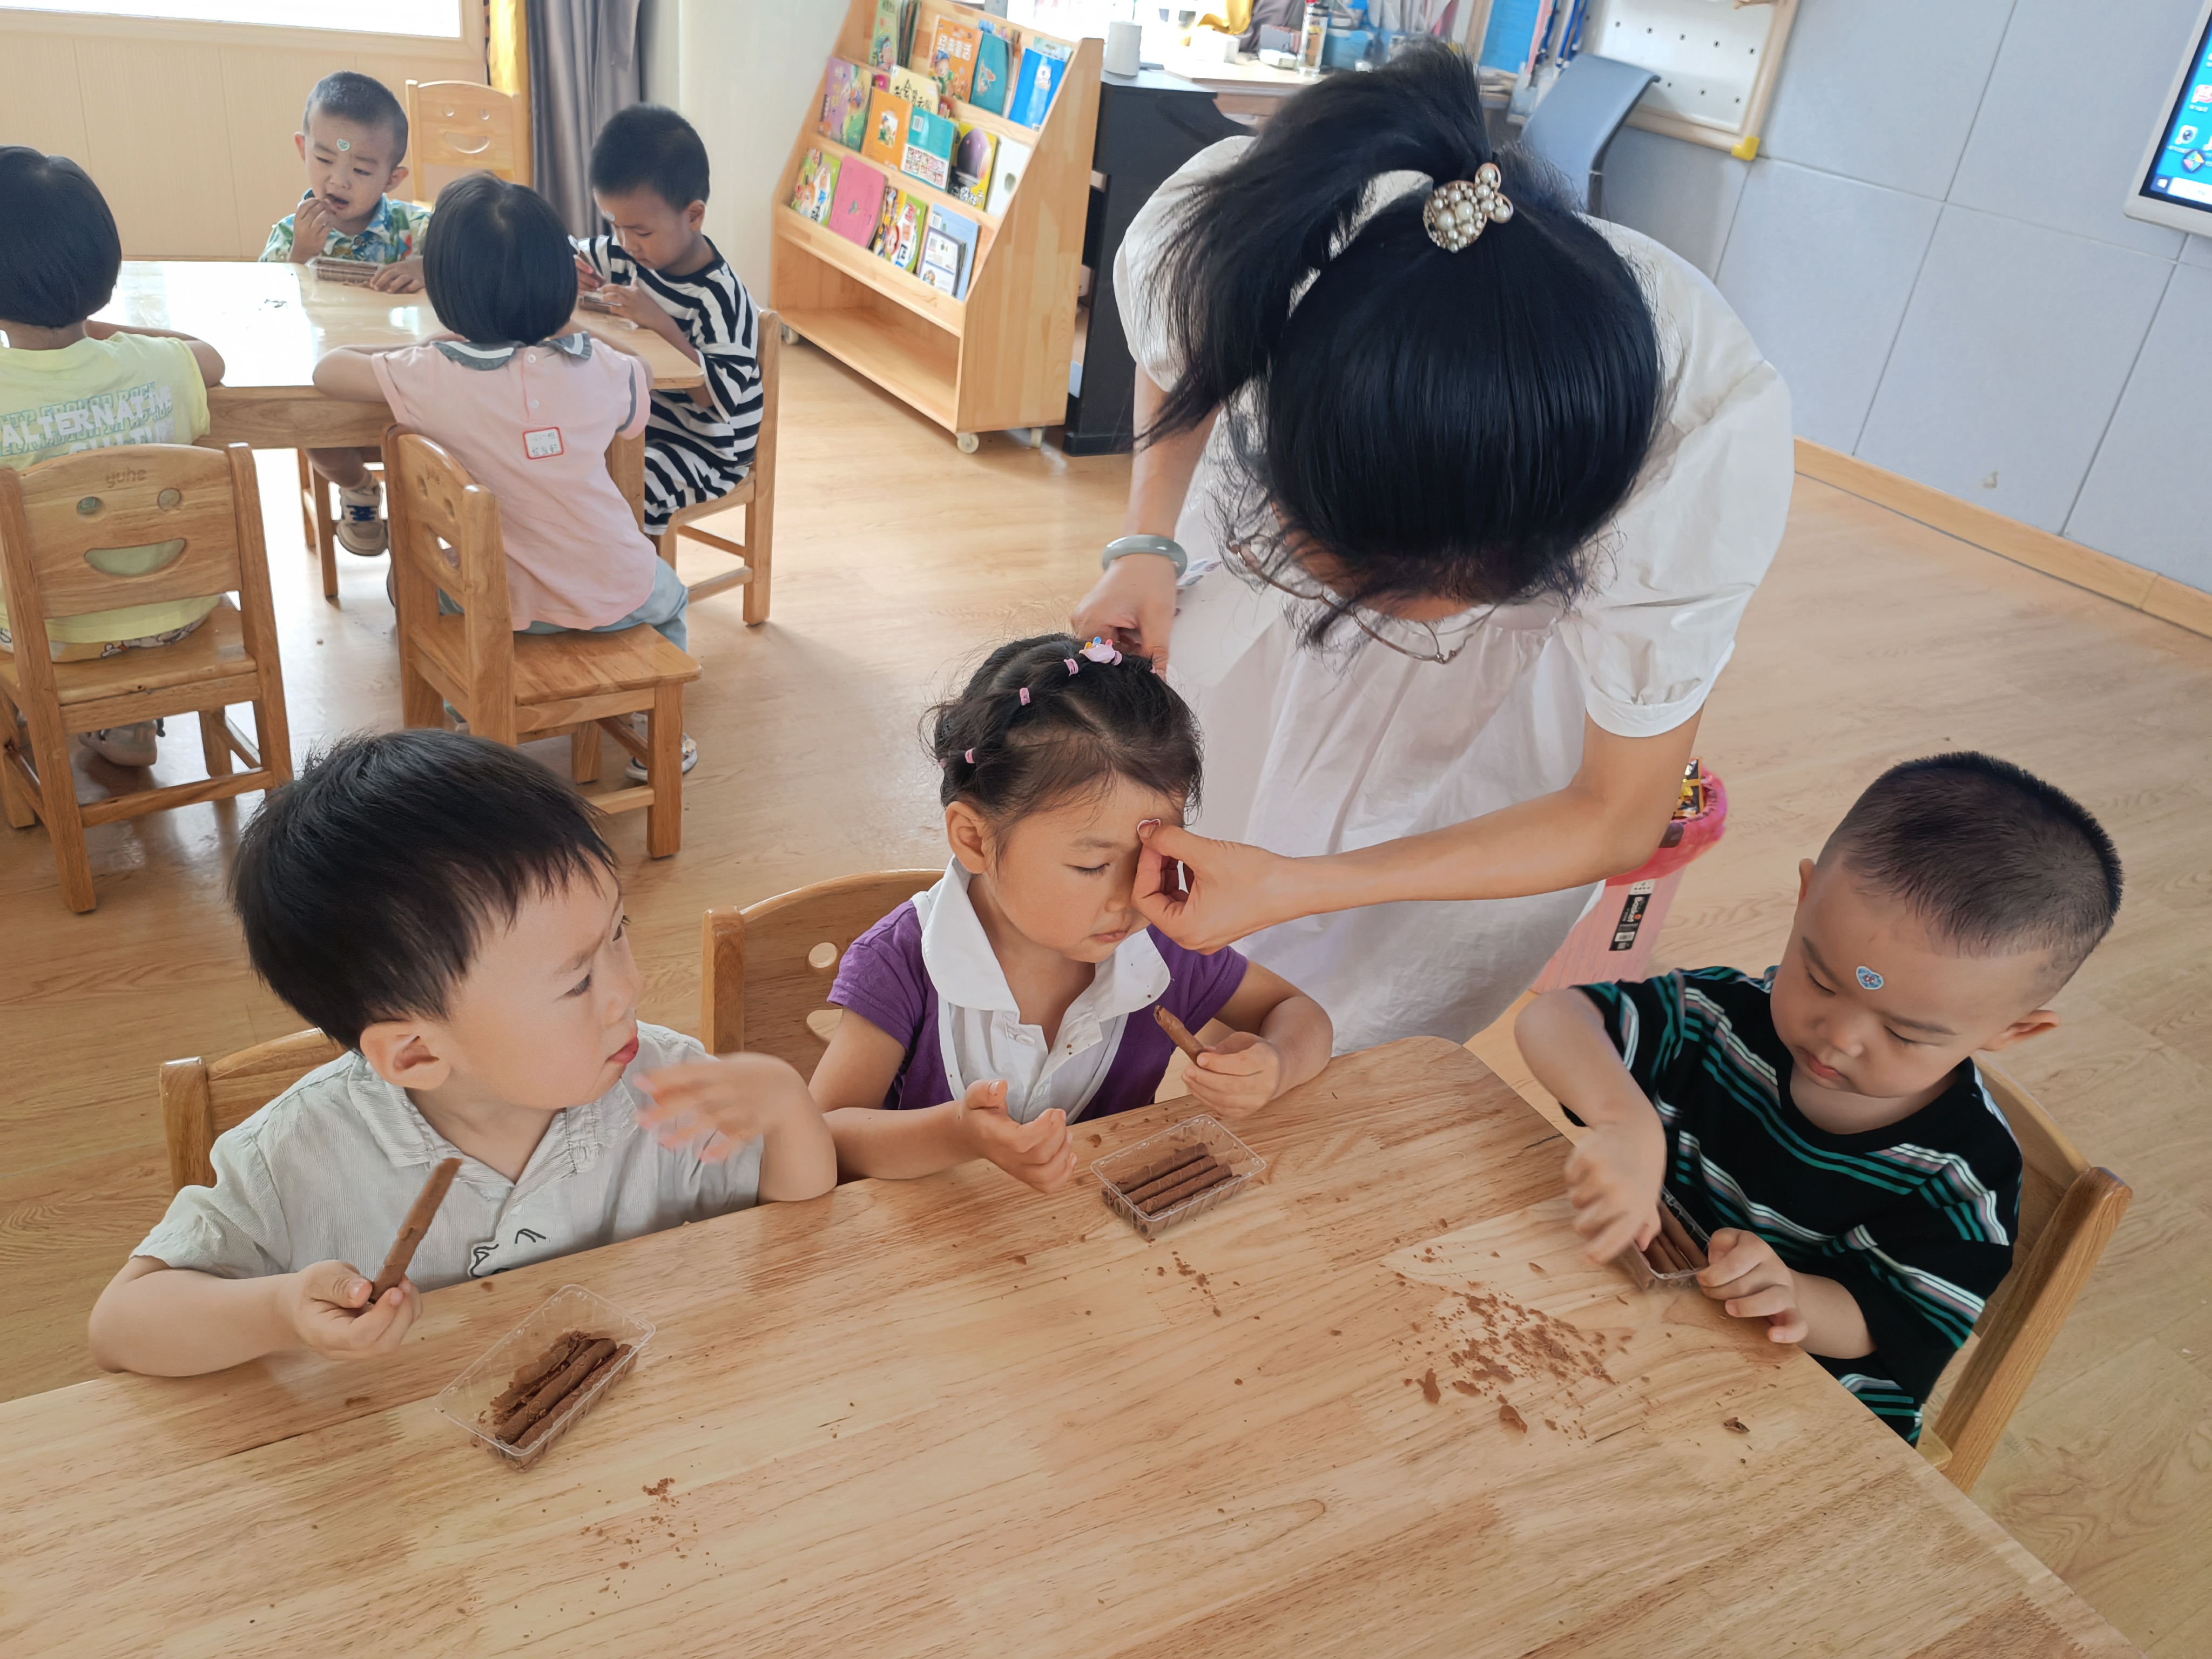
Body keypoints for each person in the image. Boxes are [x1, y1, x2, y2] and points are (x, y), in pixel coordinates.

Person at [1069, 43, 1795, 1054]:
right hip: (1258, 611)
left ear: (1561, 542)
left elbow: (1616, 813)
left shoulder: (1701, 433)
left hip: (1508, 731)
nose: (1375, 628)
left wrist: (1306, 885)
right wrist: (1146, 542)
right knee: (1188, 816)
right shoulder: (1278, 224)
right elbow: (1180, 346)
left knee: (1373, 995)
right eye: (1345, 581)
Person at [86, 731, 836, 1377]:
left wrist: (783, 1102)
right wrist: (281, 1310)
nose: (629, 988)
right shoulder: (295, 1158)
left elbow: (797, 1234)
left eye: (619, 932)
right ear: (416, 1053)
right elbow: (121, 1326)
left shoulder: (666, 1084)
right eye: (578, 981)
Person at [1515, 753, 2122, 1442]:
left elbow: (1895, 1320)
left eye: (1903, 1033)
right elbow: (1556, 1018)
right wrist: (1624, 1123)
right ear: (1805, 899)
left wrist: (1793, 1295)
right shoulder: (1717, 1018)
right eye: (1823, 980)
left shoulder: (1965, 1175)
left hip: (1790, 1402)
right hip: (1636, 1315)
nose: (1838, 1038)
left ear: (2014, 1031)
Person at [814, 633, 1333, 1192]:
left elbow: (1299, 1012)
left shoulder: (1159, 949)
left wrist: (1276, 1064)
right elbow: (822, 1139)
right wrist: (957, 1136)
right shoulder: (901, 963)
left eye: (1154, 858)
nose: (1131, 897)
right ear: (974, 839)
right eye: (1092, 866)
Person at [314, 173, 697, 779]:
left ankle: (467, 716)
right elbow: (642, 372)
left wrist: (429, 344)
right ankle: (658, 733)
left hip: (493, 603)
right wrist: (574, 325)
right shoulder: (599, 367)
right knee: (672, 597)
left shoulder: (432, 374)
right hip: (611, 589)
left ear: (446, 288)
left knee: (405, 583)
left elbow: (329, 371)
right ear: (557, 282)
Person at [0, 147, 226, 770]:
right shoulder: (161, 367)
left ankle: (55, 711)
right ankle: (125, 716)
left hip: (53, 636)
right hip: (176, 616)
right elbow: (211, 357)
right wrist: (109, 334)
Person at [571, 104, 763, 541]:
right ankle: (592, 567)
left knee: (630, 487)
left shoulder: (721, 298)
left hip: (708, 448)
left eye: (641, 232)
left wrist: (659, 322)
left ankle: (641, 579)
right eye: (615, 226)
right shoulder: (625, 253)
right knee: (566, 460)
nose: (626, 244)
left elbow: (715, 398)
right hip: (643, 425)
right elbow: (567, 252)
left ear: (693, 216)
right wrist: (572, 271)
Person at [262, 71, 431, 557]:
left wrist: (425, 266)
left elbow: (466, 261)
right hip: (329, 385)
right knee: (308, 427)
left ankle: (429, 511)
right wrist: (300, 255)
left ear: (393, 177)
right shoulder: (289, 233)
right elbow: (264, 305)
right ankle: (358, 489)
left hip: (405, 381)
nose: (338, 180)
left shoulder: (415, 228)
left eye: (360, 169)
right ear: (302, 149)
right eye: (323, 160)